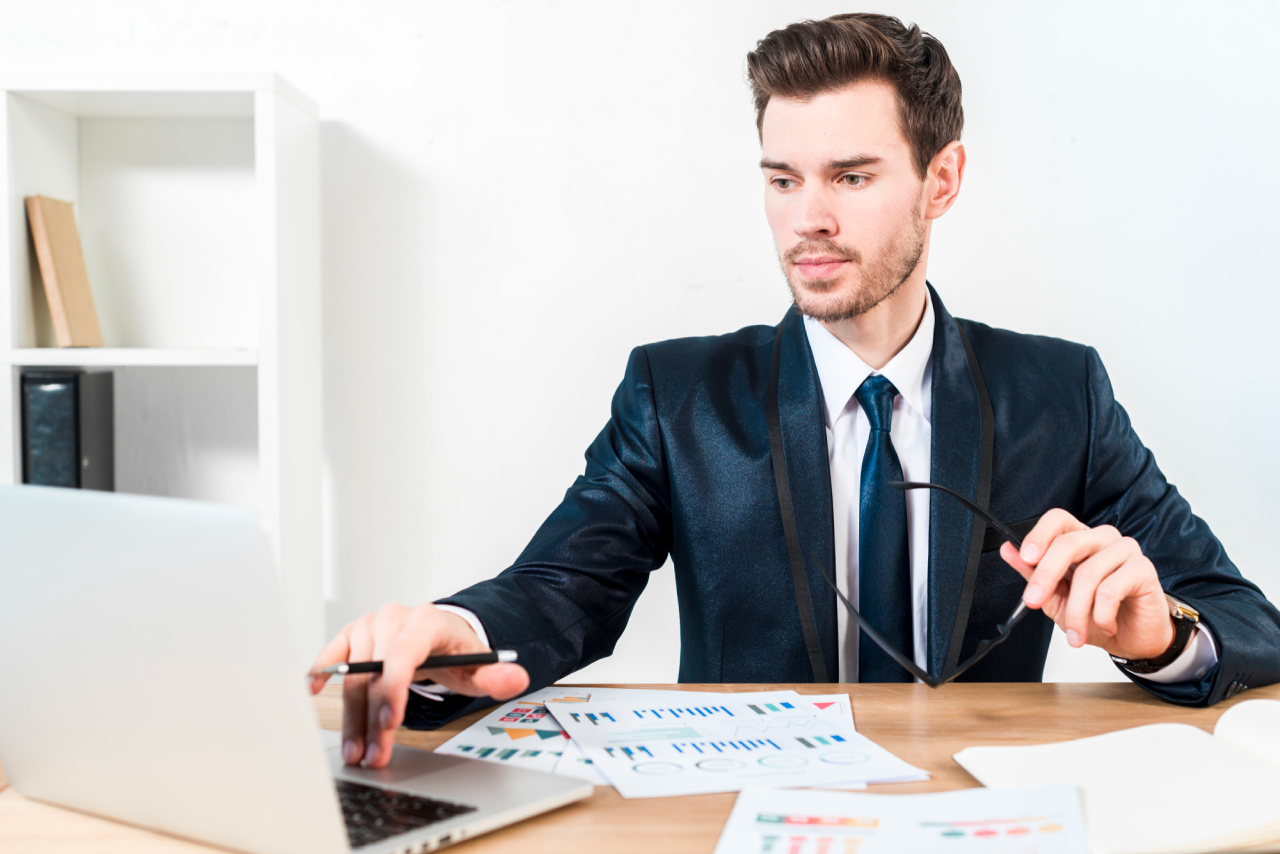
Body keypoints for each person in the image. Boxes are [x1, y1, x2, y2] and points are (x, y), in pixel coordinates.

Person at [310, 12, 1280, 770]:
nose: (806, 219)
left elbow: (1246, 626)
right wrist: (457, 628)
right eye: (781, 179)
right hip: (745, 819)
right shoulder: (675, 395)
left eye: (850, 176)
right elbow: (563, 589)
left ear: (939, 181)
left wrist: (1159, 637)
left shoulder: (1056, 392)